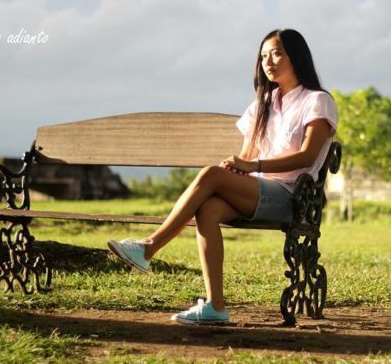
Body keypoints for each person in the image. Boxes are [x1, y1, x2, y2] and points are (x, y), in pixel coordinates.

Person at [106, 29, 339, 325]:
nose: (269, 61)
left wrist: (251, 165)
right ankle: (216, 306)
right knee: (208, 208)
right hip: (258, 191)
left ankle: (148, 248)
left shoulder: (317, 101)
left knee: (211, 174)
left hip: (292, 197)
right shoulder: (262, 104)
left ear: (297, 57)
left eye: (277, 53)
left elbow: (307, 157)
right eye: (264, 56)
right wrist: (239, 167)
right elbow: (245, 158)